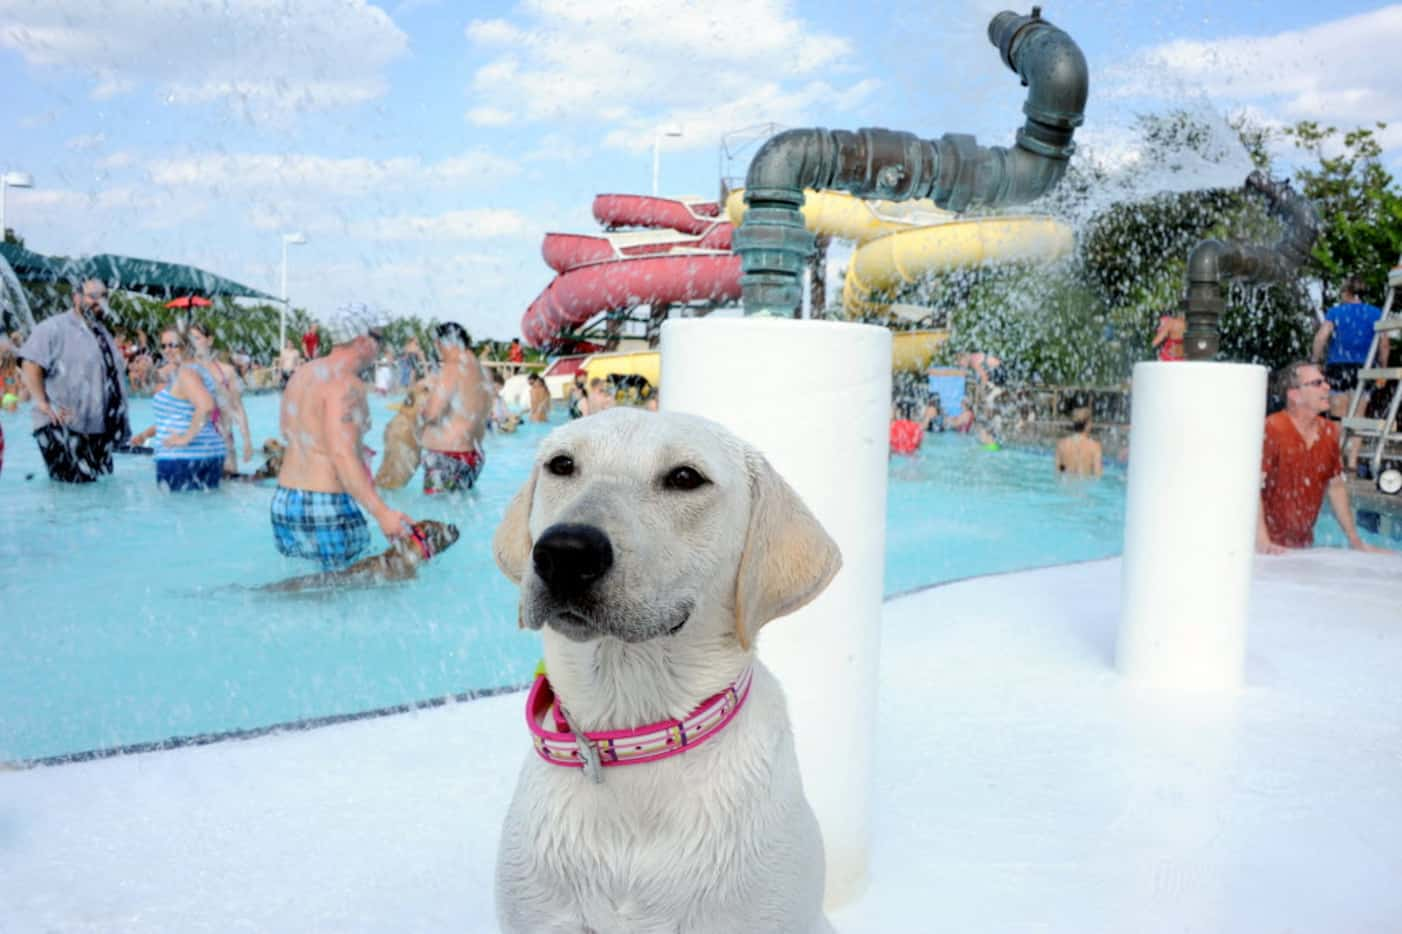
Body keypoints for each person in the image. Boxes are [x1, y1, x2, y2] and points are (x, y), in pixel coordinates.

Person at [272, 304, 411, 571]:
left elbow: (288, 430)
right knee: (345, 596)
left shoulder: (302, 374)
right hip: (326, 504)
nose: (381, 347)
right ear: (361, 341)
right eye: (378, 338)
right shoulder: (347, 385)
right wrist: (383, 514)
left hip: (285, 501)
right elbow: (341, 454)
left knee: (305, 592)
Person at [1257, 361, 1382, 554]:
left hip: (1303, 546)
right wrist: (1264, 543)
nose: (1327, 387)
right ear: (1295, 395)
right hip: (1261, 546)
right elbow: (1251, 489)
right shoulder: (1272, 428)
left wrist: (1355, 540)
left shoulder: (1329, 431)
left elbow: (1336, 486)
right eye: (1317, 383)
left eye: (1324, 381)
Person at [18, 278, 131, 483]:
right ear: (76, 297)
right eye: (92, 296)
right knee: (74, 491)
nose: (99, 301)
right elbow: (30, 363)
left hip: (96, 429)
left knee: (99, 492)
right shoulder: (54, 328)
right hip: (61, 426)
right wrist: (43, 403)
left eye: (104, 296)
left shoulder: (101, 331)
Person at [1313, 275, 1388, 469]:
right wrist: (1383, 367)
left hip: (1338, 366)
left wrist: (1316, 361)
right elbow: (1384, 344)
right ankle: (1353, 462)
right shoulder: (1375, 313)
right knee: (1358, 417)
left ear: (1347, 292)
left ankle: (1336, 462)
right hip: (1365, 369)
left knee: (1338, 417)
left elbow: (1321, 338)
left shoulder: (1336, 312)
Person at [419, 321, 492, 495]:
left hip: (448, 456)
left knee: (437, 517)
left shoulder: (453, 367)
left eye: (438, 345)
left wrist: (423, 407)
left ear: (446, 342)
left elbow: (432, 414)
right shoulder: (481, 370)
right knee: (459, 514)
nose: (438, 351)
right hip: (472, 455)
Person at [150, 328, 226, 491]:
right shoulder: (194, 370)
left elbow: (206, 406)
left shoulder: (186, 373)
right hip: (205, 453)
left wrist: (185, 438)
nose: (167, 350)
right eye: (163, 346)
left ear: (185, 346)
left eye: (173, 345)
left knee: (174, 514)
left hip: (183, 458)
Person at [188, 321, 254, 477]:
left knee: (228, 488)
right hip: (196, 442)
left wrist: (246, 440)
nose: (193, 343)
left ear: (209, 340)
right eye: (190, 339)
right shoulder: (185, 371)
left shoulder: (227, 371)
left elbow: (237, 407)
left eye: (197, 338)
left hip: (224, 441)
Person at [1054, 406, 1102, 477]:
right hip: (1085, 485)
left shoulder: (1062, 444)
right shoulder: (1094, 447)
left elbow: (1058, 472)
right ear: (1088, 425)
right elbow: (1097, 475)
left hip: (1066, 485)